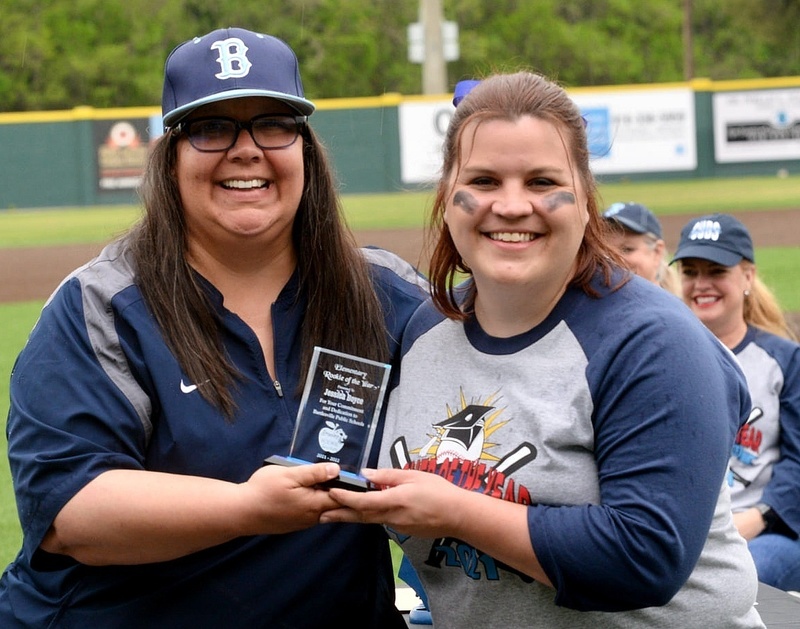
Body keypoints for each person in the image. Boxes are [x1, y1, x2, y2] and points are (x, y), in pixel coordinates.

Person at [0, 27, 426, 628]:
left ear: (305, 147)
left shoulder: (385, 292)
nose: (245, 150)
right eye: (211, 128)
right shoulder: (101, 305)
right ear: (171, 157)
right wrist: (249, 507)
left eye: (273, 123)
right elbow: (72, 511)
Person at [320, 71, 765, 627]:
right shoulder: (423, 330)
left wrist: (457, 511)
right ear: (447, 195)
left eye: (540, 181)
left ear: (583, 198)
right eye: (482, 180)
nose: (510, 206)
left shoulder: (653, 341)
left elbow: (645, 556)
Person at [672, 213, 800, 592]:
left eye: (716, 271)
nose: (701, 284)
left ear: (747, 277)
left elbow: (798, 460)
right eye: (691, 271)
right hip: (678, 531)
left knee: (743, 578)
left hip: (763, 530)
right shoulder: (660, 355)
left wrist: (760, 516)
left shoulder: (784, 360)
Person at [602, 201, 680, 294]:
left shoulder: (674, 307)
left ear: (657, 252)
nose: (613, 260)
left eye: (626, 249)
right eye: (605, 251)